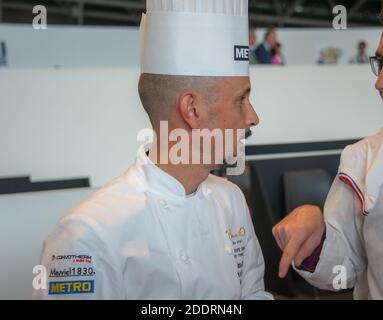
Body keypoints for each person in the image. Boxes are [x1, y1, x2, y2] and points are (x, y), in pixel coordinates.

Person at [32, 0, 273, 300]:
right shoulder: (85, 236)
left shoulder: (231, 201)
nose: (253, 117)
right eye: (241, 99)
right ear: (192, 110)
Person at [272, 20, 383, 300]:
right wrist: (317, 236)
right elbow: (347, 264)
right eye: (380, 64)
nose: (378, 83)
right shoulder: (362, 159)